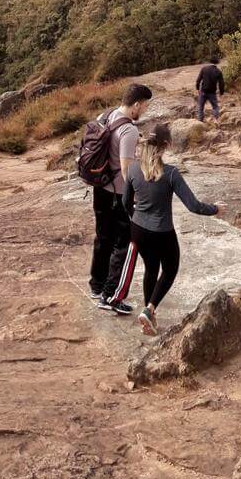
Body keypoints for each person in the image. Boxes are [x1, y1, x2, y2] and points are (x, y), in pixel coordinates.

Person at [111, 122, 225, 335]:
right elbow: (194, 206)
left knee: (151, 269)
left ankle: (149, 314)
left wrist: (136, 219)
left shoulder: (134, 168)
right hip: (161, 232)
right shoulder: (171, 174)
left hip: (138, 229)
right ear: (167, 145)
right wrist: (215, 209)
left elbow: (126, 202)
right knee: (170, 269)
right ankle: (150, 309)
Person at [88, 82, 153, 314]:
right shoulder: (129, 130)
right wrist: (136, 197)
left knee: (102, 238)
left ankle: (96, 285)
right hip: (118, 194)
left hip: (100, 188)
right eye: (145, 105)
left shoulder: (107, 115)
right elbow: (126, 171)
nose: (144, 110)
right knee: (123, 244)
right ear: (136, 104)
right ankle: (110, 295)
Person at [195, 56, 224, 124]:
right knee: (215, 107)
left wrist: (197, 88)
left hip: (203, 91)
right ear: (217, 62)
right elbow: (221, 83)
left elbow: (198, 80)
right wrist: (221, 93)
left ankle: (200, 120)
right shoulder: (218, 71)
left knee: (200, 106)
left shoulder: (204, 68)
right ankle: (216, 120)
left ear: (210, 61)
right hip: (212, 93)